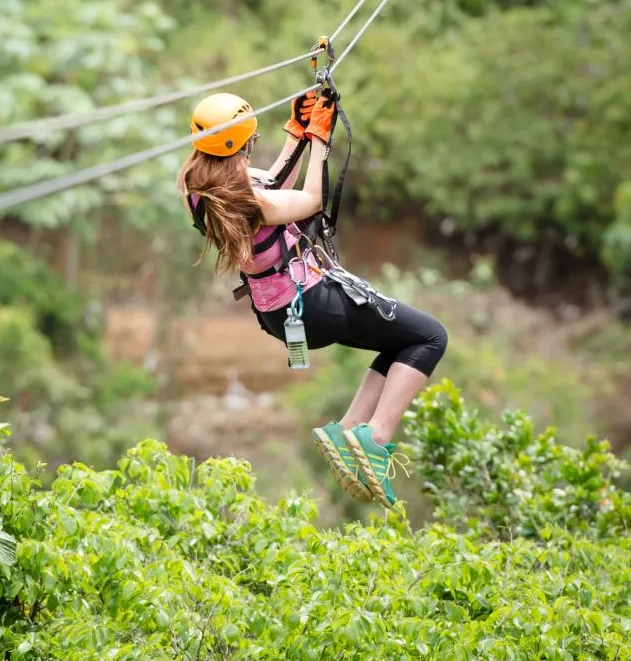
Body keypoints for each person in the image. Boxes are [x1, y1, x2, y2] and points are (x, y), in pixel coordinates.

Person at [177, 90, 448, 507]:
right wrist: (321, 140)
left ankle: (349, 430)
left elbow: (269, 188)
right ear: (241, 144)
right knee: (430, 337)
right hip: (312, 303)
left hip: (277, 311)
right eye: (251, 141)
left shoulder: (200, 187)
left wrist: (297, 132)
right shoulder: (246, 196)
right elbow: (307, 201)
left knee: (400, 343)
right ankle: (375, 438)